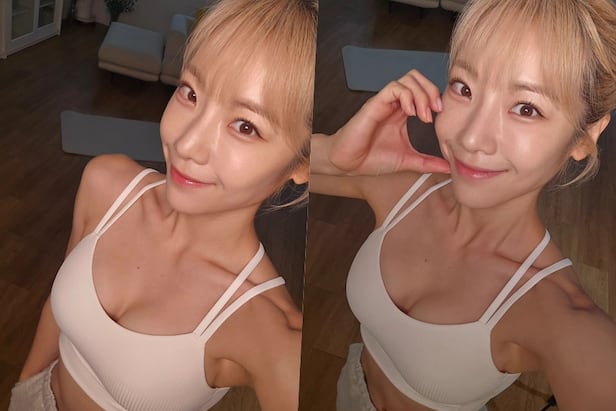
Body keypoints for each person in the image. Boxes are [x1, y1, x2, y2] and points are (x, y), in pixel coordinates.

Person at [9, 0, 316, 410]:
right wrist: (24, 387)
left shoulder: (263, 322)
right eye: (191, 92)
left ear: (303, 163)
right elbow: (55, 308)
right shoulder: (107, 183)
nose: (186, 144)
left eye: (245, 126)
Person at [310, 0, 616, 410]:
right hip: (351, 388)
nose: (471, 138)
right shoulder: (408, 190)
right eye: (464, 87)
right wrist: (333, 154)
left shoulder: (557, 313)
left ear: (585, 136)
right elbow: (267, 173)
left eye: (526, 108)